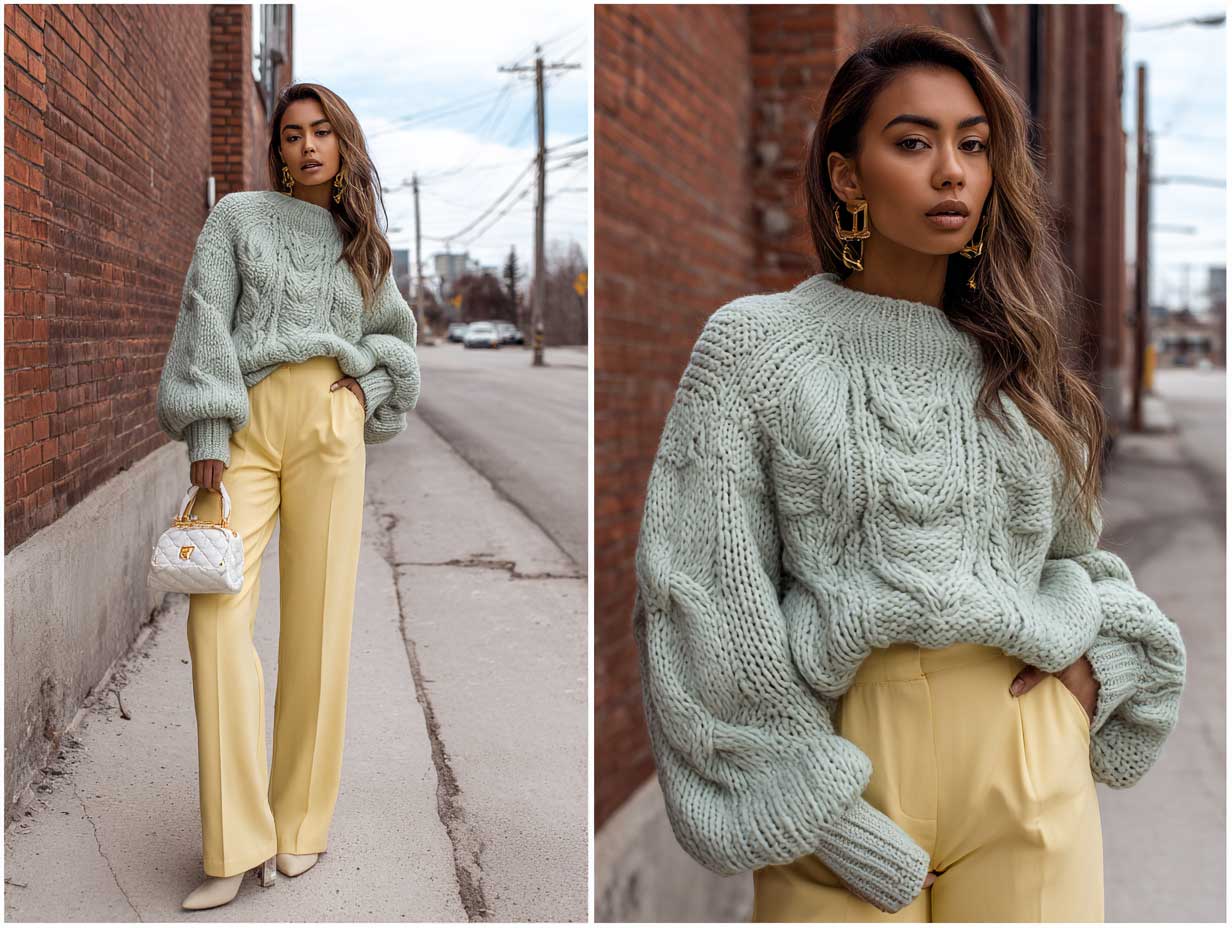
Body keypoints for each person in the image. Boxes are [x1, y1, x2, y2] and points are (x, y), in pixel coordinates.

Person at [631, 25, 1185, 923]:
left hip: (1026, 759)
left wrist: (1102, 667)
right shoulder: (754, 349)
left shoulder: (1022, 365)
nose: (952, 171)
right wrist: (827, 822)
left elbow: (1080, 562)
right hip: (847, 767)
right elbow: (702, 606)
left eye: (973, 144)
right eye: (913, 142)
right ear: (848, 174)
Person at [155, 82, 420, 910]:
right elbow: (205, 319)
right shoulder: (238, 218)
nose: (304, 146)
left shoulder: (363, 249)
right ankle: (234, 842)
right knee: (216, 614)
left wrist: (365, 392)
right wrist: (206, 434)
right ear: (277, 153)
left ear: (343, 145)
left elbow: (397, 342)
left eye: (320, 133)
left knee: (318, 628)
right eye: (291, 135)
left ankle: (299, 825)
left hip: (331, 430)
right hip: (245, 429)